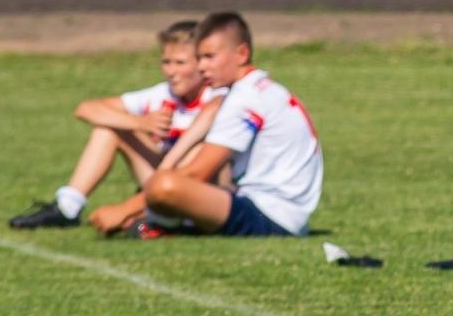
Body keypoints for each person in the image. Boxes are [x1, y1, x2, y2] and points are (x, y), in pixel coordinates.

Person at [9, 20, 222, 231]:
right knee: (108, 128)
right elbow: (86, 109)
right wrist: (140, 122)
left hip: (203, 191)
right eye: (166, 62)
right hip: (160, 182)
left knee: (200, 149)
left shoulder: (218, 97)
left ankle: (157, 215)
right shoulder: (161, 94)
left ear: (201, 63)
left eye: (180, 63)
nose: (171, 71)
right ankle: (67, 208)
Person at [138, 12, 323, 238]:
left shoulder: (245, 97)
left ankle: (155, 223)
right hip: (275, 209)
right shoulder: (257, 87)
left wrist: (123, 209)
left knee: (163, 186)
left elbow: (198, 173)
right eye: (199, 57)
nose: (202, 66)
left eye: (209, 57)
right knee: (165, 183)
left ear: (242, 54)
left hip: (271, 215)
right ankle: (156, 222)